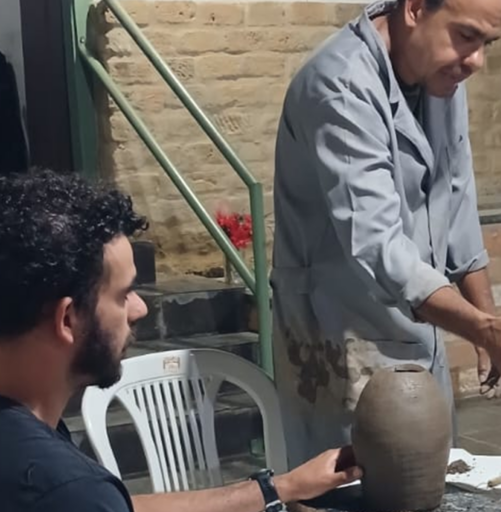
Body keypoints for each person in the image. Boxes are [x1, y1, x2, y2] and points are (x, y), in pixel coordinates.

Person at [270, 0, 501, 470]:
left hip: (415, 332)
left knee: (429, 477)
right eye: (466, 36)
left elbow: (457, 198)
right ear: (413, 9)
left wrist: (487, 326)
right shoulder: (341, 86)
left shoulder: (441, 77)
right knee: (350, 488)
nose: (476, 62)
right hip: (338, 338)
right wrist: (482, 328)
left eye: (487, 44)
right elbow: (378, 246)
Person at [0, 169, 361, 512]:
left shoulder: (42, 461)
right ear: (67, 319)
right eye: (123, 294)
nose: (139, 308)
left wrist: (280, 488)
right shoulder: (62, 488)